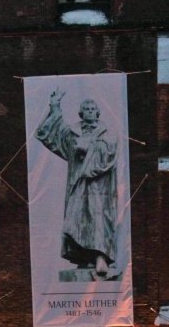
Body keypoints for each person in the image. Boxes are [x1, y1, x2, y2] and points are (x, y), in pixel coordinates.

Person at [34, 88, 120, 280]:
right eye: (86, 108)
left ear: (98, 112)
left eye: (93, 108)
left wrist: (88, 148)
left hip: (99, 187)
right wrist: (55, 105)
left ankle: (101, 256)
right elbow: (52, 134)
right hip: (77, 184)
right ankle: (83, 255)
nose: (90, 110)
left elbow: (109, 153)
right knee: (76, 219)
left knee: (98, 219)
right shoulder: (72, 132)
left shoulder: (107, 132)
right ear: (81, 113)